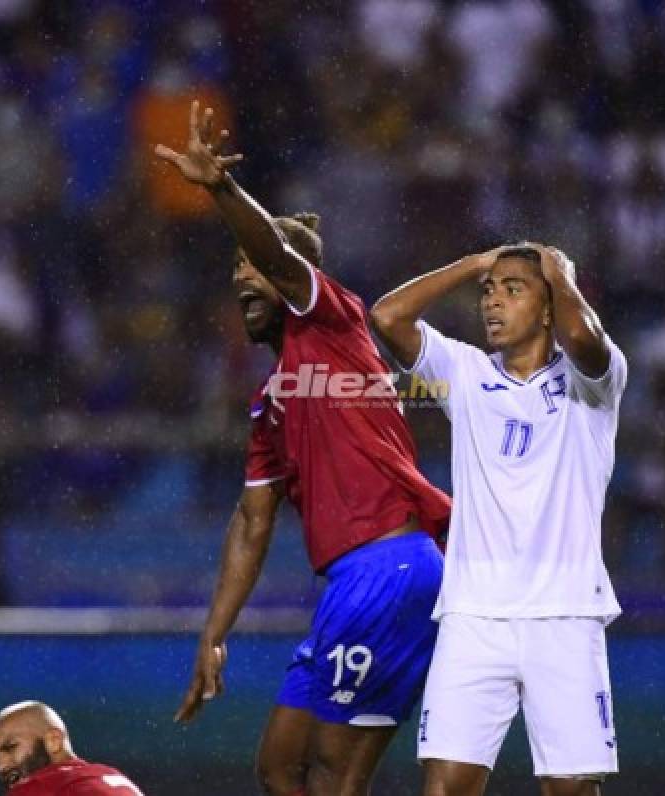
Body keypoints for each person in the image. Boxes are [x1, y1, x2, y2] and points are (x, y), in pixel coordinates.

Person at [155, 101, 451, 796]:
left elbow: (276, 255)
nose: (240, 279)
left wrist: (221, 190)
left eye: (252, 268)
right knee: (280, 769)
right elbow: (252, 523)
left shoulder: (333, 320)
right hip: (350, 586)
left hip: (391, 567)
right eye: (234, 270)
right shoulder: (272, 400)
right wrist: (214, 634)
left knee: (331, 776)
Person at [370, 244, 626, 796]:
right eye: (490, 290)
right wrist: (470, 265)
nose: (493, 302)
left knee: (571, 791)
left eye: (514, 289)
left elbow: (584, 339)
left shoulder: (595, 383)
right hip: (474, 616)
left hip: (565, 614)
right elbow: (387, 316)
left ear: (550, 305)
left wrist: (557, 270)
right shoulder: (463, 372)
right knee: (444, 788)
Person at [0, 701, 144, 795]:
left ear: (53, 741)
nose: (1, 766)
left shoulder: (39, 787)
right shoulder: (111, 775)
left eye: (10, 748)